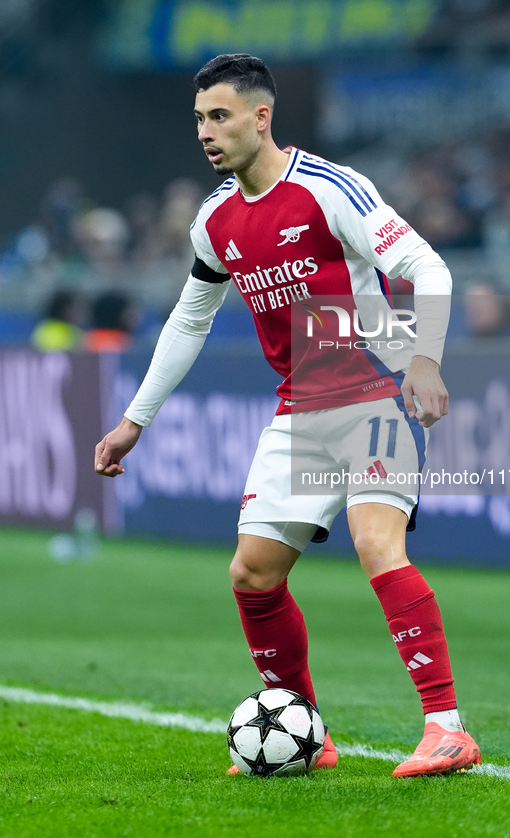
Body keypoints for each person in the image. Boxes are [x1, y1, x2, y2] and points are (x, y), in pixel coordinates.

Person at [95, 54, 480, 778]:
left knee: (376, 544)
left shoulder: (330, 189)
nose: (207, 133)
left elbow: (428, 267)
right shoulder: (214, 220)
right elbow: (187, 320)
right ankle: (305, 729)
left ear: (260, 116)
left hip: (374, 385)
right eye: (200, 120)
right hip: (300, 407)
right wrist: (134, 421)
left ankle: (446, 727)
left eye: (220, 116)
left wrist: (423, 359)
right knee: (252, 572)